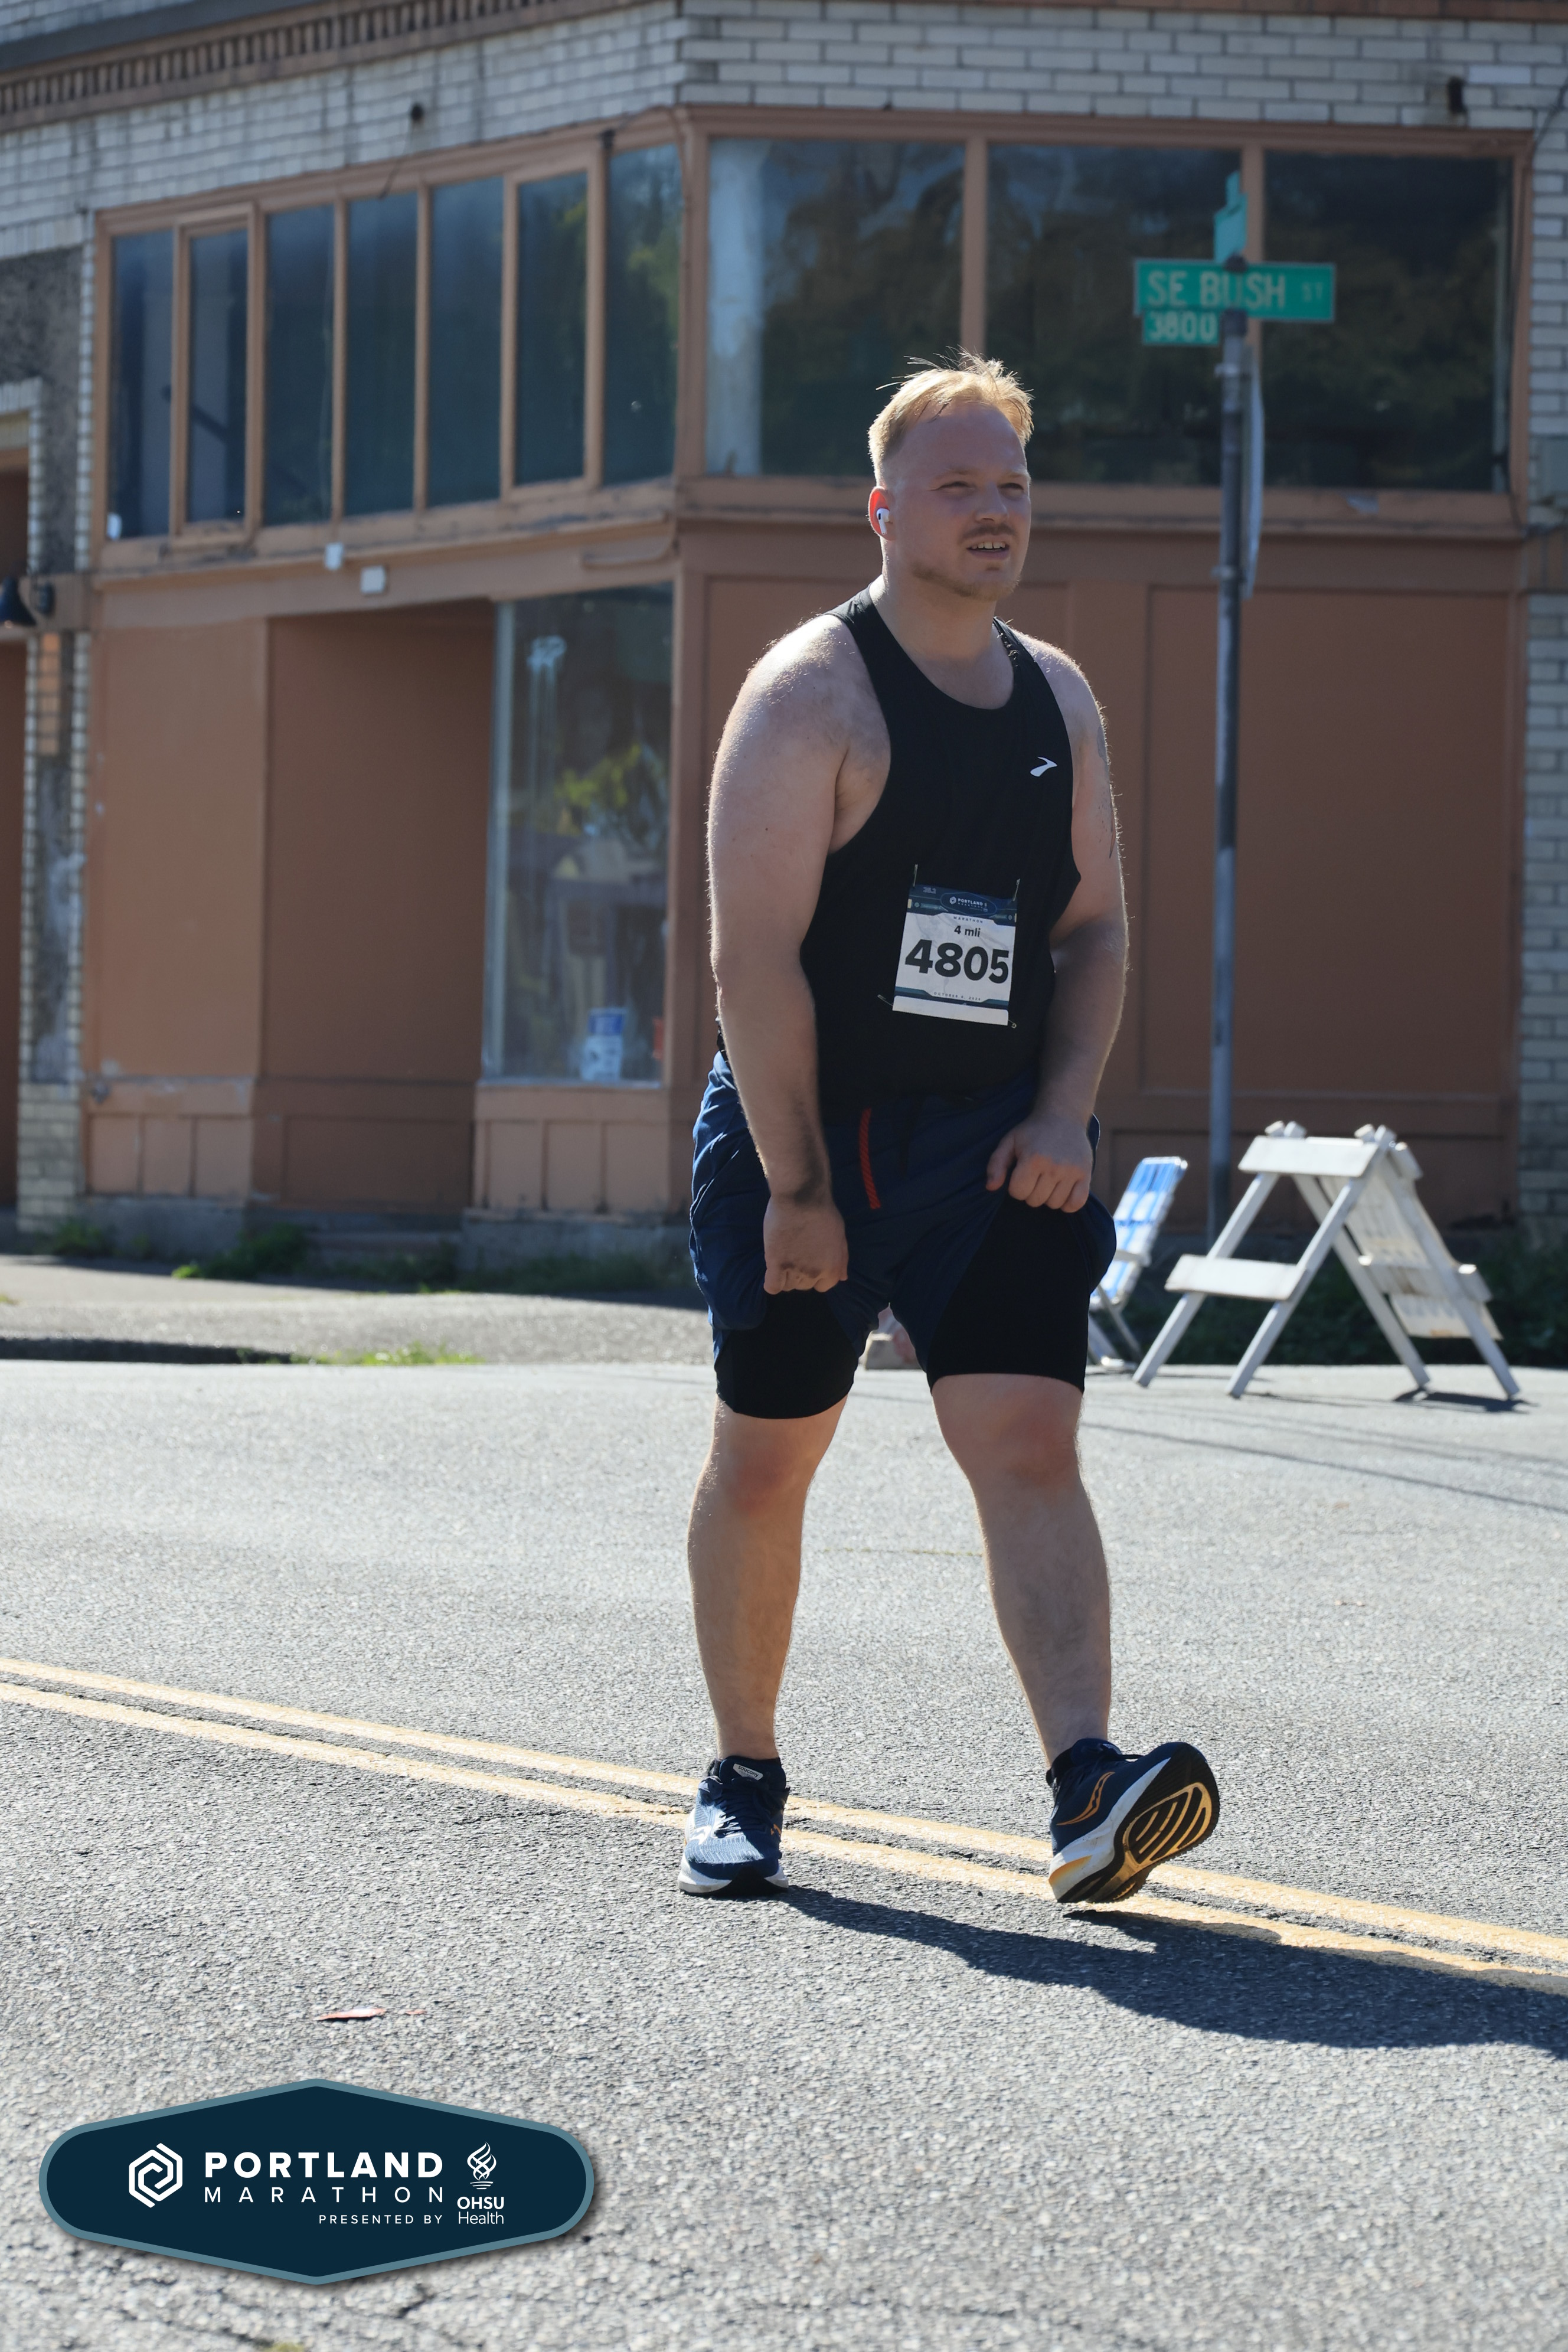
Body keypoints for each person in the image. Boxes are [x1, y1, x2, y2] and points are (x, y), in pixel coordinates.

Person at [680, 355, 1218, 1905]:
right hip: (817, 1135)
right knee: (769, 1461)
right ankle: (744, 1773)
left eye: (1013, 487)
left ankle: (1086, 1786)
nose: (995, 512)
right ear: (884, 510)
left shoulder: (1059, 699)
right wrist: (795, 1187)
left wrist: (1062, 1107)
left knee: (1030, 1439)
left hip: (993, 1142)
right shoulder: (812, 698)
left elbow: (1094, 928)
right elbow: (752, 965)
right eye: (959, 487)